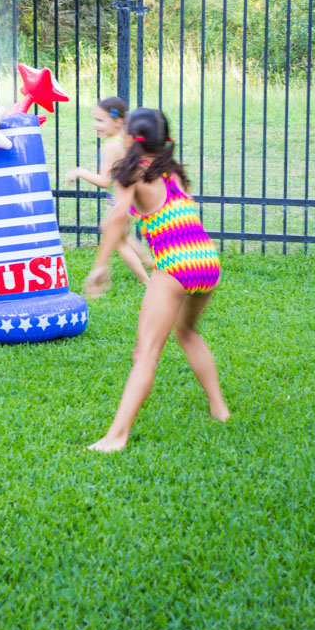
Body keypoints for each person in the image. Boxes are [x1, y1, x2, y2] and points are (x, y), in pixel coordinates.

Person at [84, 107, 229, 452]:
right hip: (207, 261)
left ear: (131, 139)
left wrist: (100, 264)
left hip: (176, 265)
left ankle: (116, 437)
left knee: (145, 354)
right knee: (187, 332)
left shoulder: (131, 173)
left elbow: (118, 216)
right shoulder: (174, 172)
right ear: (167, 141)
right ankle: (219, 410)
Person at [66, 96, 150, 287]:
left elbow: (104, 181)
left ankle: (148, 281)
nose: (96, 125)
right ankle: (150, 262)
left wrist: (80, 172)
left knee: (119, 242)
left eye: (100, 120)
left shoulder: (111, 145)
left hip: (118, 202)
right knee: (122, 236)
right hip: (130, 201)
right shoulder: (125, 138)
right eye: (95, 120)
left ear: (117, 121)